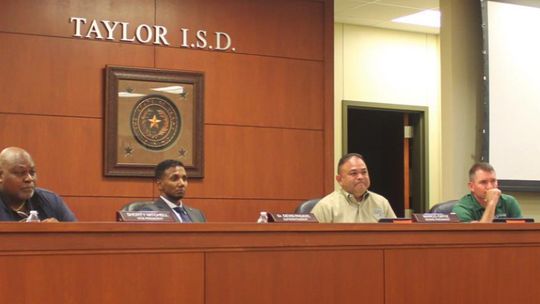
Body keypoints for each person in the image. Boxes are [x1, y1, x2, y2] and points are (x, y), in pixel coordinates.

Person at [311, 153, 396, 223]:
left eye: (364, 172)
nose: (360, 177)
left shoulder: (381, 203)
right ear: (340, 180)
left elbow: (396, 235)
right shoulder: (325, 206)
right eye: (353, 173)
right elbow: (312, 240)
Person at [0, 147, 77, 222]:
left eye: (32, 172)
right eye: (20, 173)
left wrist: (57, 231)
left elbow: (76, 234)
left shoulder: (50, 201)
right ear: (1, 176)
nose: (29, 179)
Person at [452, 162, 522, 223]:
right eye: (483, 182)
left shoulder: (509, 202)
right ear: (471, 187)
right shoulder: (461, 208)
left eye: (493, 181)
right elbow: (482, 234)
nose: (490, 187)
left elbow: (521, 232)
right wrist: (491, 203)